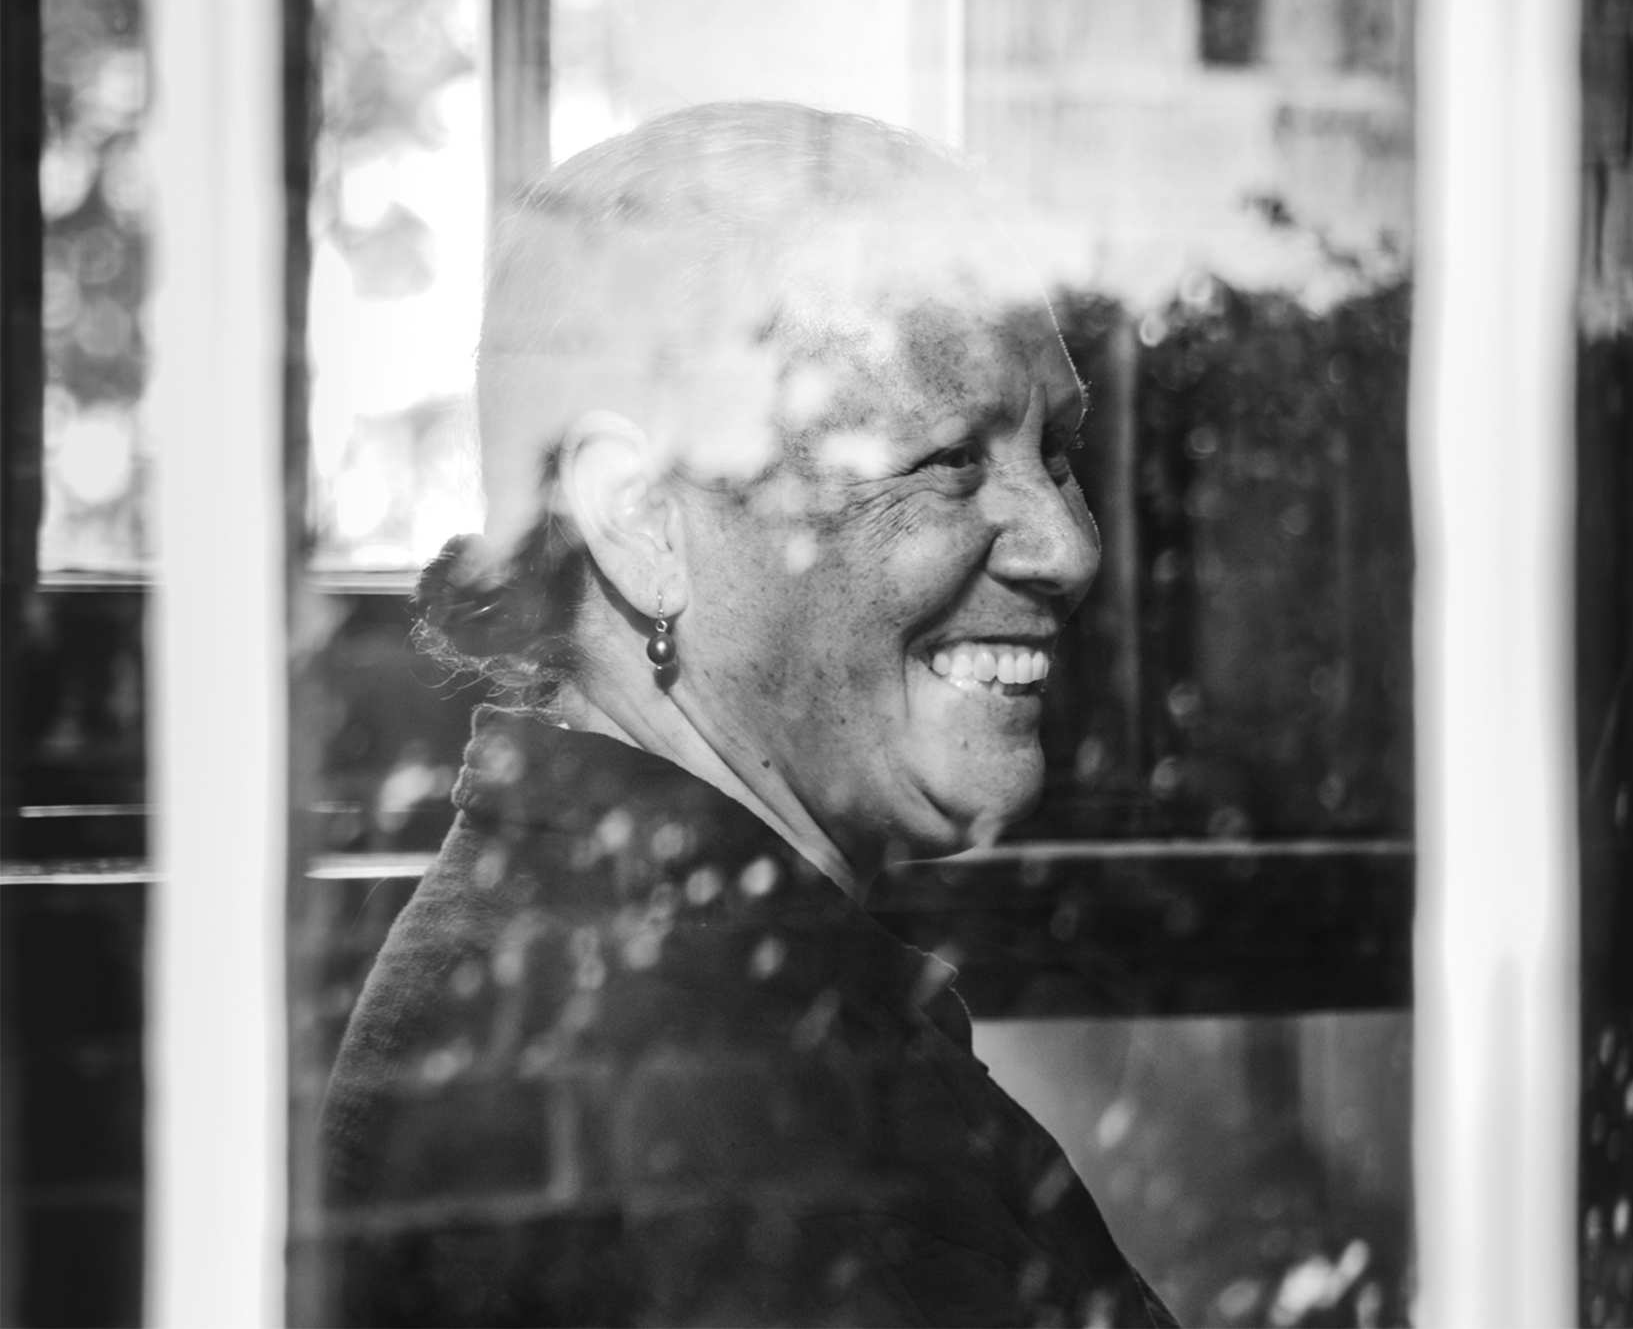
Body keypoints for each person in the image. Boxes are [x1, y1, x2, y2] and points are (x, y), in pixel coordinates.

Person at [315, 102, 1175, 1327]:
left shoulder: (628, 967)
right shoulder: (711, 1104)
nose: (1069, 545)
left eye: (1060, 453)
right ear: (642, 517)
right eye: (945, 459)